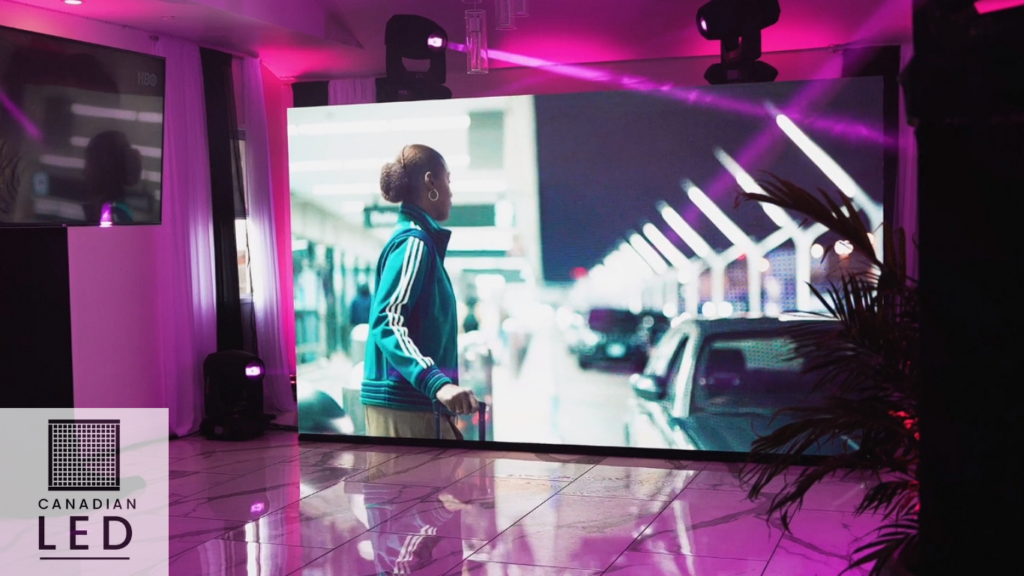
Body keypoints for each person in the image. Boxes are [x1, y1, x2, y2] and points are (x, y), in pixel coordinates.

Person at [360, 144, 478, 439]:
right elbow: (387, 320)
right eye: (448, 180)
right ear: (431, 182)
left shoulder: (419, 243)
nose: (451, 192)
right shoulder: (414, 242)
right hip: (405, 406)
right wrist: (437, 383)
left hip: (413, 404)